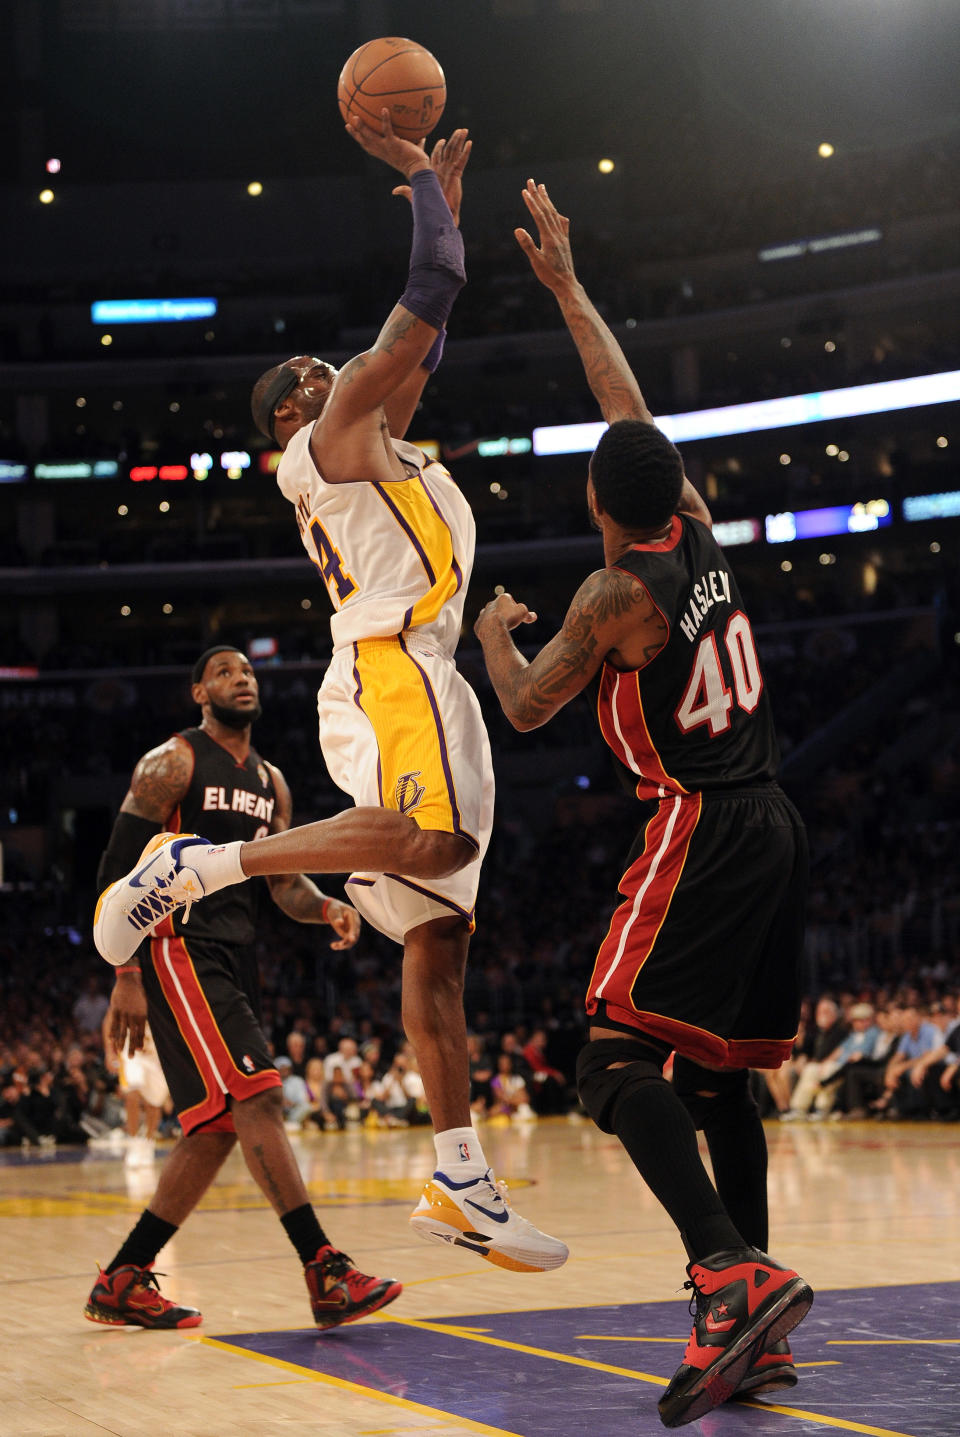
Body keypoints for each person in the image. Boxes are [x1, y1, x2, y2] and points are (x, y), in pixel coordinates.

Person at [93, 117, 567, 1276]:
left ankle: (459, 1175)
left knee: (439, 929)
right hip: (395, 663)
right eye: (325, 371)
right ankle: (198, 867)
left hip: (413, 666)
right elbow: (435, 289)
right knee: (431, 838)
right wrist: (417, 183)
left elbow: (429, 342)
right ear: (303, 407)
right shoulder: (338, 425)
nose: (346, 366)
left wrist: (443, 192)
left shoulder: (363, 441)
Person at [472, 181, 812, 1428]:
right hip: (776, 817)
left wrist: (489, 635)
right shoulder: (701, 530)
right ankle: (759, 1329)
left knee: (608, 1065)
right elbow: (631, 412)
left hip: (703, 820)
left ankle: (727, 1274)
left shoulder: (609, 599)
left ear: (594, 509)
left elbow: (524, 712)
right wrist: (568, 288)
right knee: (720, 1082)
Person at [85, 645, 400, 1331]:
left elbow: (281, 881)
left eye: (249, 672)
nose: (241, 679)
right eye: (226, 672)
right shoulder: (173, 761)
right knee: (257, 1093)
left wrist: (323, 906)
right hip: (178, 946)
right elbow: (114, 871)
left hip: (237, 954)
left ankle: (122, 1278)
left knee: (216, 1128)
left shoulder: (272, 781)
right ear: (199, 689)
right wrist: (126, 973)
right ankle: (325, 1268)